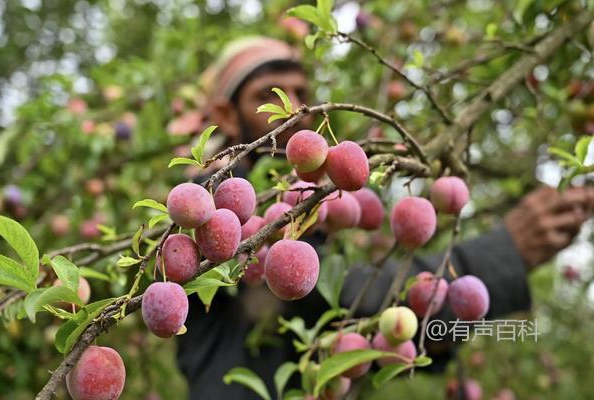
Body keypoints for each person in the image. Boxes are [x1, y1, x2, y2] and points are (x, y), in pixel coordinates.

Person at [176, 37, 594, 399]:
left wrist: (437, 338)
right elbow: (339, 298)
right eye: (268, 95)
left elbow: (368, 338)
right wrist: (499, 256)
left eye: (300, 94)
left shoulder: (300, 208)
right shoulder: (213, 213)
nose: (295, 112)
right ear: (226, 116)